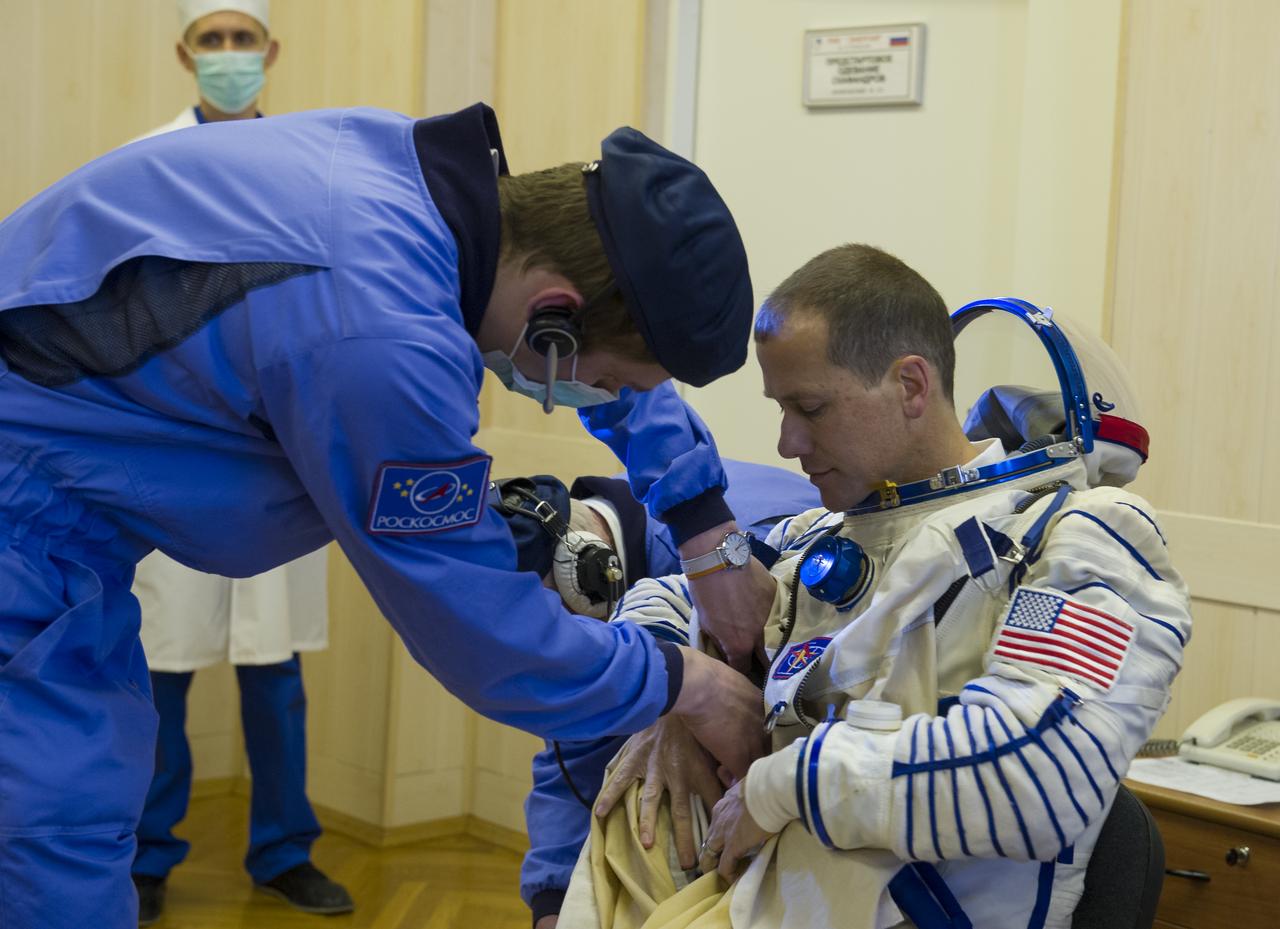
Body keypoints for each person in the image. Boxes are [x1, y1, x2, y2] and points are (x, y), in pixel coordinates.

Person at [0, 97, 776, 927]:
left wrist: (708, 531)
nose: (601, 401)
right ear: (556, 316)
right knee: (53, 830)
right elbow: (483, 634)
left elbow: (615, 380)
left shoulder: (425, 191)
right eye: (610, 381)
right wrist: (683, 682)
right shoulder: (380, 336)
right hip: (25, 527)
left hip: (58, 508)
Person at [558, 244, 1191, 929]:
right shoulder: (819, 530)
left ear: (911, 386)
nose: (786, 441)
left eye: (810, 406)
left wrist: (783, 785)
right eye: (780, 408)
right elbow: (682, 591)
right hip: (748, 890)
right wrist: (678, 695)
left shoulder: (1075, 536)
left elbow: (1035, 778)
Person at [122, 3, 351, 923]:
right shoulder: (142, 164)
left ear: (271, 51)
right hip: (175, 446)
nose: (227, 57)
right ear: (185, 53)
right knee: (157, 665)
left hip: (278, 447)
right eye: (210, 41)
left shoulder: (310, 163)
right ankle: (143, 857)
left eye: (240, 38)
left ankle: (284, 851)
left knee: (274, 668)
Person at [493, 461, 821, 926]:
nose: (552, 649)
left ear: (587, 577)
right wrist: (551, 899)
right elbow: (570, 755)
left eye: (552, 630)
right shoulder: (600, 573)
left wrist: (677, 703)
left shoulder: (732, 545)